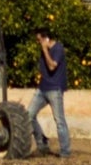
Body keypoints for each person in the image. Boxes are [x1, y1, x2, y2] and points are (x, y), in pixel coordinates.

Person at [29, 27, 71, 157]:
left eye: (39, 40)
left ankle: (65, 151)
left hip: (55, 89)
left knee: (59, 121)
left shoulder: (58, 49)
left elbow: (52, 66)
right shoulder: (44, 50)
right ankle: (43, 144)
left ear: (45, 38)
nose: (38, 43)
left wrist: (45, 50)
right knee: (28, 115)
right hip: (42, 88)